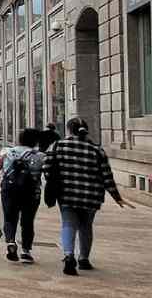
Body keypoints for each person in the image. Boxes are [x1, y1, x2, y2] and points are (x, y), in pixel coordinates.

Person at [43, 117, 134, 276]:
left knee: (68, 224)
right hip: (91, 195)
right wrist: (117, 197)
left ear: (69, 130)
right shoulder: (96, 149)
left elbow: (47, 167)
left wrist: (56, 181)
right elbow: (107, 176)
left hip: (67, 193)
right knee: (86, 226)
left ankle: (68, 255)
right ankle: (84, 259)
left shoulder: (58, 146)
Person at [0, 128, 44, 264]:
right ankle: (26, 251)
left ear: (19, 139)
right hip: (31, 192)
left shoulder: (7, 152)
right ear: (35, 141)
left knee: (9, 218)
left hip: (9, 189)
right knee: (28, 221)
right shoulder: (40, 156)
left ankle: (11, 241)